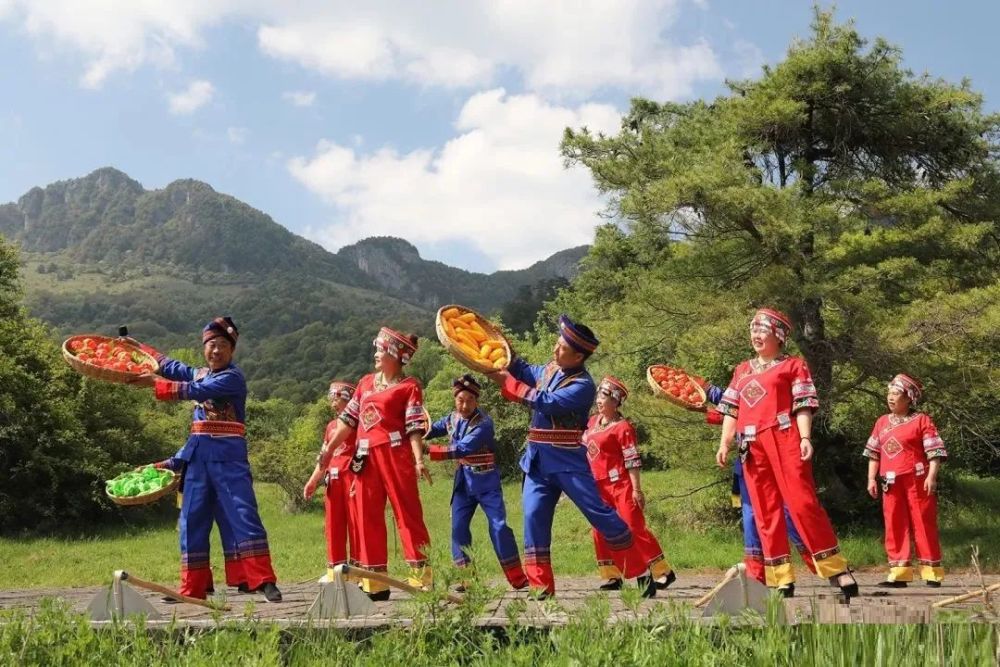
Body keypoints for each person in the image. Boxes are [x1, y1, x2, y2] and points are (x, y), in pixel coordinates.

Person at [488, 314, 655, 598]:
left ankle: (638, 571)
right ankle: (541, 587)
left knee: (599, 513)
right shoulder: (551, 369)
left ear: (578, 356)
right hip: (537, 460)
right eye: (556, 344)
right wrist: (506, 353)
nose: (555, 350)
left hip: (568, 461)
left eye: (562, 348)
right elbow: (526, 371)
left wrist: (507, 381)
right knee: (533, 517)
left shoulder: (583, 386)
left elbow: (545, 402)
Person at [130, 317, 281, 602]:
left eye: (223, 345)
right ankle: (193, 588)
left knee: (243, 516)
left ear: (232, 351)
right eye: (212, 345)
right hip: (198, 460)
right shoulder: (201, 373)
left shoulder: (231, 378)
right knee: (192, 521)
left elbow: (195, 391)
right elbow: (172, 366)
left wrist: (155, 383)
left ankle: (262, 579)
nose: (216, 351)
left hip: (229, 460)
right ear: (204, 348)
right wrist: (139, 350)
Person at [715, 308, 858, 599]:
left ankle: (836, 570)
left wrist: (805, 437)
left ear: (778, 336)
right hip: (751, 446)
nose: (755, 335)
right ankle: (781, 577)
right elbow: (731, 409)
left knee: (802, 503)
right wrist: (724, 443)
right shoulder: (742, 370)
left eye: (762, 330)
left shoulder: (793, 366)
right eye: (753, 330)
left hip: (784, 437)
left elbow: (803, 404)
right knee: (766, 512)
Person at [317, 327, 432, 600]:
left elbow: (414, 426)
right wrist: (329, 450)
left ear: (394, 354)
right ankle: (375, 581)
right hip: (365, 455)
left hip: (395, 453)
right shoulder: (366, 382)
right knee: (366, 513)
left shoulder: (409, 386)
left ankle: (421, 577)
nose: (376, 354)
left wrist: (418, 459)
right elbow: (348, 421)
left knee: (407, 511)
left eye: (380, 350)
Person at [700, 382, 816, 588]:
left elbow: (742, 408)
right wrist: (705, 395)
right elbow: (731, 409)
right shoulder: (743, 379)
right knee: (752, 518)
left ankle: (821, 562)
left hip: (778, 460)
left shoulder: (779, 382)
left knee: (790, 514)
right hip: (748, 464)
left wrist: (710, 394)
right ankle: (762, 577)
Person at [426, 374, 529, 591]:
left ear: (477, 401)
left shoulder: (484, 424)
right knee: (458, 528)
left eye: (470, 401)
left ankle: (517, 577)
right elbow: (431, 429)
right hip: (463, 484)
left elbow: (463, 448)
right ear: (455, 400)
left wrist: (429, 451)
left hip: (486, 483)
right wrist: (416, 428)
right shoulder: (451, 419)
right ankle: (466, 578)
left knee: (499, 527)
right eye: (460, 400)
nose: (464, 405)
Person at [584, 376, 676, 591]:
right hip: (597, 485)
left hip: (621, 484)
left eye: (604, 397)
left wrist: (636, 489)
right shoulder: (591, 422)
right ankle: (612, 575)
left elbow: (632, 459)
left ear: (616, 402)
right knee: (600, 530)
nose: (599, 400)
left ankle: (663, 571)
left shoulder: (623, 427)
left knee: (633, 527)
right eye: (598, 395)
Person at [863, 374, 947, 587]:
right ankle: (899, 573)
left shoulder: (921, 420)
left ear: (909, 398)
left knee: (923, 522)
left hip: (917, 479)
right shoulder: (882, 422)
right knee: (894, 523)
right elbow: (874, 453)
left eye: (896, 393)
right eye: (889, 393)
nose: (891, 397)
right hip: (890, 482)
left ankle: (931, 572)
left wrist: (932, 476)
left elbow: (934, 451)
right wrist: (871, 478)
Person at [303, 380, 359, 584]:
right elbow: (323, 456)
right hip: (333, 480)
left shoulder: (358, 424)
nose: (333, 402)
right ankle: (334, 571)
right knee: (332, 526)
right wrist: (312, 481)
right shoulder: (330, 427)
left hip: (353, 477)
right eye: (331, 398)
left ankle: (356, 570)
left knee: (355, 524)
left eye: (338, 398)